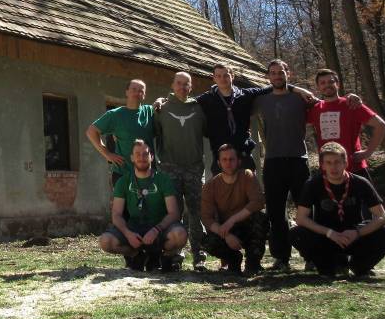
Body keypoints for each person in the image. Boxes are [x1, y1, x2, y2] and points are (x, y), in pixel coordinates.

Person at [291, 142, 385, 278]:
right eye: (329, 163)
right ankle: (329, 266)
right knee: (296, 234)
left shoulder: (360, 182)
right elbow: (301, 218)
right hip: (327, 237)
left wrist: (358, 233)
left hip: (353, 235)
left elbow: (382, 217)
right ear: (322, 165)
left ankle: (360, 265)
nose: (333, 167)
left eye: (337, 162)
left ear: (345, 163)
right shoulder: (313, 184)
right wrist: (329, 233)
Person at [253, 59, 312, 272]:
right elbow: (237, 102)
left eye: (281, 72)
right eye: (273, 73)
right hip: (273, 161)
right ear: (268, 76)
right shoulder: (262, 99)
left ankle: (311, 256)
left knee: (306, 209)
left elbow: (324, 104)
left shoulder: (301, 98)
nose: (277, 76)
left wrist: (298, 89)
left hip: (299, 159)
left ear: (289, 73)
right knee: (276, 212)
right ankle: (281, 258)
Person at [98, 140, 188, 272]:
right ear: (132, 157)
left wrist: (156, 230)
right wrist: (128, 234)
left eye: (145, 154)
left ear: (152, 157)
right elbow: (116, 214)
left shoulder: (163, 179)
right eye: (137, 154)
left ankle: (164, 257)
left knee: (180, 235)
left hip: (159, 229)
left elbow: (174, 213)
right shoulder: (123, 181)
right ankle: (137, 255)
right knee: (106, 241)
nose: (142, 158)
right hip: (134, 229)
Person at [155, 71, 207, 271]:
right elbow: (153, 133)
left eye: (186, 84)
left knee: (196, 213)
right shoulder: (161, 108)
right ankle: (175, 255)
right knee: (173, 213)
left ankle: (199, 256)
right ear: (172, 85)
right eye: (179, 83)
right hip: (170, 168)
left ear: (191, 87)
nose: (182, 87)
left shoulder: (199, 108)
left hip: (195, 167)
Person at [200, 145, 269, 276]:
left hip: (246, 224)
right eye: (224, 159)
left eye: (232, 159)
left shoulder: (247, 176)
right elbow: (206, 218)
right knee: (206, 241)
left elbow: (258, 201)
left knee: (260, 218)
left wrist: (232, 220)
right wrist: (225, 235)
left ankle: (253, 263)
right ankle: (233, 261)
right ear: (219, 163)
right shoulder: (210, 186)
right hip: (226, 229)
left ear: (239, 161)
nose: (228, 163)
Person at [308, 69, 385, 180]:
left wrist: (367, 152)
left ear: (338, 84)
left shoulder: (351, 104)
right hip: (328, 171)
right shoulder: (315, 109)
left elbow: (381, 125)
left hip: (354, 168)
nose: (327, 85)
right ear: (318, 87)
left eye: (331, 82)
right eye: (323, 83)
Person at [87, 79, 155, 184]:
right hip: (123, 173)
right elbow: (91, 131)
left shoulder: (149, 112)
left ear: (144, 95)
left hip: (147, 173)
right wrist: (107, 154)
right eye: (134, 89)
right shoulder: (115, 115)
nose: (137, 93)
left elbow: (167, 103)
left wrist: (160, 100)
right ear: (127, 92)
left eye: (141, 91)